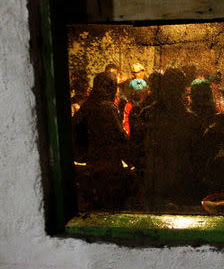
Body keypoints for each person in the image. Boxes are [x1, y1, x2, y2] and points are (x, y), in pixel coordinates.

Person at [142, 68, 202, 208]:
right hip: (173, 188)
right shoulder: (191, 120)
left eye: (174, 86)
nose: (172, 91)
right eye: (171, 86)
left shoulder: (147, 114)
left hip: (163, 187)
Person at [72, 72, 132, 210]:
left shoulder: (88, 105)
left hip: (92, 161)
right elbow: (119, 137)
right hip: (109, 164)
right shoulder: (107, 107)